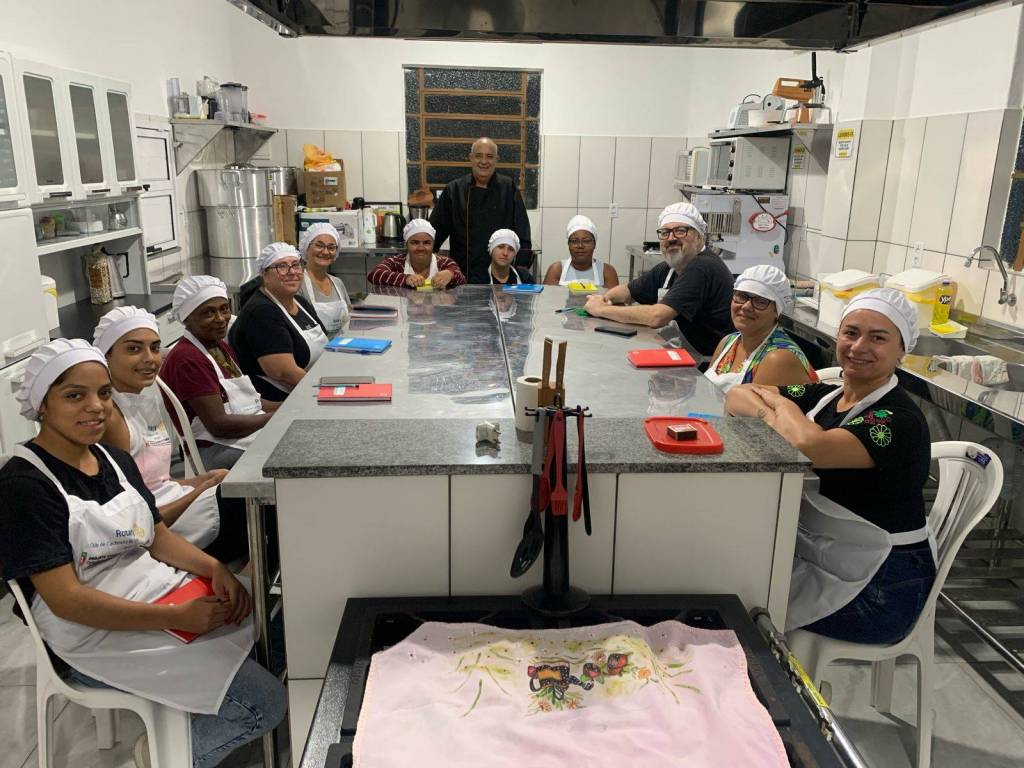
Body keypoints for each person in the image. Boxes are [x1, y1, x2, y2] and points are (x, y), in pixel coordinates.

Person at [0, 339, 286, 768]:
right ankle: (159, 757)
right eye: (75, 395)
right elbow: (67, 601)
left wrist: (213, 568)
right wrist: (176, 617)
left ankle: (196, 705)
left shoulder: (113, 459)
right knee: (264, 704)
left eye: (104, 393)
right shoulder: (24, 486)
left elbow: (156, 537)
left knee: (277, 630)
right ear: (42, 405)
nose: (96, 407)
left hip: (154, 593)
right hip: (91, 636)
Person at [725, 288, 934, 644]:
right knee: (731, 577)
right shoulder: (827, 396)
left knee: (739, 604)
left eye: (878, 338)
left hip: (884, 586)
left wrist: (784, 409)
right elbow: (738, 394)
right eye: (851, 333)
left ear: (902, 350)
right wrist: (774, 414)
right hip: (832, 557)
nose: (859, 347)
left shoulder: (897, 420)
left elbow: (811, 447)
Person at [93, 306, 249, 564]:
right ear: (106, 355)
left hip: (175, 504)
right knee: (261, 505)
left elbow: (156, 483)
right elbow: (136, 520)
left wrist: (199, 480)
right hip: (160, 534)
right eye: (133, 349)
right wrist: (201, 489)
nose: (149, 358)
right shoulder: (109, 418)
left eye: (154, 348)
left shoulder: (143, 401)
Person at [584, 202, 734, 358]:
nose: (671, 238)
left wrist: (601, 310)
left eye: (680, 231)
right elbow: (628, 291)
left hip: (706, 364)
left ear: (698, 236)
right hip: (681, 354)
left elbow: (657, 317)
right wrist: (605, 298)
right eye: (665, 232)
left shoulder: (702, 266)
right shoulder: (670, 267)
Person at [161, 276, 278, 471]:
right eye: (208, 313)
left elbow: (251, 401)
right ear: (187, 318)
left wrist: (291, 406)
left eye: (224, 309)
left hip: (242, 435)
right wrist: (276, 418)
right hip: (214, 449)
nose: (221, 318)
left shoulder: (219, 347)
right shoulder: (187, 359)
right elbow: (219, 425)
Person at [230, 242, 328, 401]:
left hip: (311, 386)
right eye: (281, 266)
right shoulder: (262, 312)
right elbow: (284, 373)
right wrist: (330, 390)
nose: (292, 272)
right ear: (264, 274)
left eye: (296, 265)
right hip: (282, 400)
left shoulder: (300, 302)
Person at [428, 136, 532, 284]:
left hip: (500, 279)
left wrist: (521, 270)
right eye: (478, 156)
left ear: (496, 159)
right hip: (463, 275)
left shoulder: (508, 188)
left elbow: (523, 233)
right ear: (471, 158)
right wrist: (427, 264)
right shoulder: (454, 190)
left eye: (489, 156)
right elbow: (433, 234)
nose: (484, 161)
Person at [704, 265, 818, 393]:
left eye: (760, 301)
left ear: (777, 311)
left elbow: (744, 405)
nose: (746, 306)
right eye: (742, 296)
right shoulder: (728, 341)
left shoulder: (778, 358)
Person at [367, 219, 466, 289]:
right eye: (414, 243)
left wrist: (450, 274)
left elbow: (461, 278)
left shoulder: (444, 263)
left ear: (433, 244)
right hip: (405, 311)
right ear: (406, 244)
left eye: (427, 243)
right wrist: (406, 279)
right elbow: (374, 274)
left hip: (436, 311)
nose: (420, 248)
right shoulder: (397, 263)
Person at [296, 222, 352, 334]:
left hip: (341, 343)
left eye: (331, 247)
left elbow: (350, 318)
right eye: (319, 246)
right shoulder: (298, 284)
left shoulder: (337, 283)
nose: (325, 252)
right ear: (306, 248)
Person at [542, 214, 619, 288]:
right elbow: (547, 296)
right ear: (568, 245)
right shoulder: (557, 270)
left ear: (594, 244)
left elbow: (614, 297)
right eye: (574, 241)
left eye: (586, 241)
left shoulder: (607, 272)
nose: (580, 246)